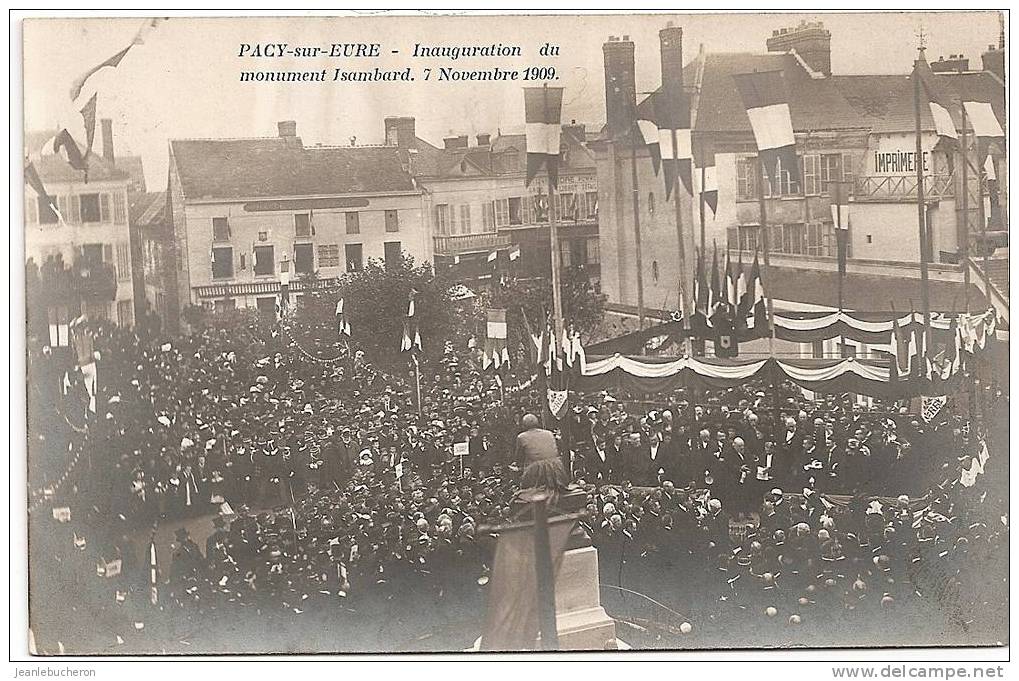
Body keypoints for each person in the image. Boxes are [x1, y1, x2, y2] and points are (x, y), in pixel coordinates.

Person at [513, 413, 568, 492]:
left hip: (537, 470)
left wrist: (518, 466)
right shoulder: (549, 433)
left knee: (526, 487)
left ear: (524, 426)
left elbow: (519, 458)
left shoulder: (521, 437)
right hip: (557, 468)